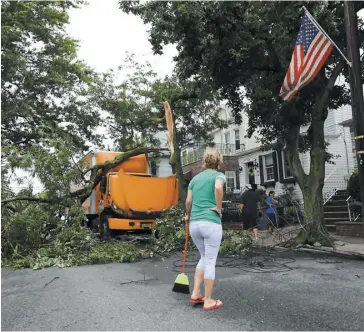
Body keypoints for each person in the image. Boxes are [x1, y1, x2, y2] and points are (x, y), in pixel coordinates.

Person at [185, 147, 225, 311]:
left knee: (204, 256)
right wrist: (218, 207)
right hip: (210, 223)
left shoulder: (195, 179)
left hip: (194, 224)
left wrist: (187, 215)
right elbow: (217, 188)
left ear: (204, 161)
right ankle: (208, 300)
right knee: (210, 261)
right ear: (218, 162)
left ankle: (196, 293)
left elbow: (188, 201)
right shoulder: (218, 175)